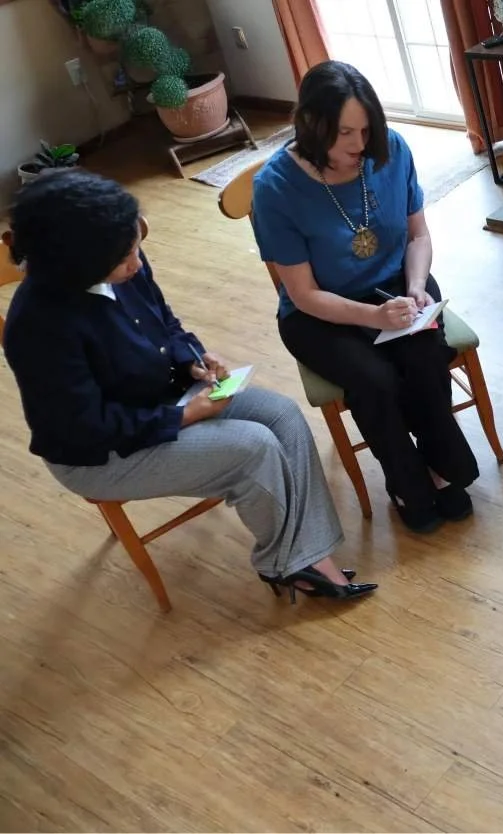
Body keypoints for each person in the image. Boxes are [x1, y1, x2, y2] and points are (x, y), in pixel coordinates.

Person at [2, 170, 375, 604]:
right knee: (253, 448)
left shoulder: (119, 261)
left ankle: (305, 555)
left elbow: (165, 322)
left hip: (162, 396)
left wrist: (193, 358)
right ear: (76, 263)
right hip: (102, 453)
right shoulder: (39, 328)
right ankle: (290, 563)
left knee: (283, 415)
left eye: (135, 248)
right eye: (124, 258)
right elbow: (85, 429)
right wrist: (183, 415)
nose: (137, 264)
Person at [251, 60, 480, 534]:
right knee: (373, 380)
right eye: (344, 134)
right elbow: (304, 293)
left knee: (421, 358)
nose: (359, 145)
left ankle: (442, 466)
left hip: (398, 285)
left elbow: (418, 236)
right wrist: (375, 317)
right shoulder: (275, 187)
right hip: (320, 312)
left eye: (365, 129)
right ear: (311, 125)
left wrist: (415, 288)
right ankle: (407, 481)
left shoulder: (391, 149)